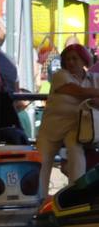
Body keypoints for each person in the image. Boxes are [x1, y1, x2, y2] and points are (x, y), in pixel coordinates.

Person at [35, 43, 99, 197]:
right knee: (43, 163)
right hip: (51, 128)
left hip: (75, 127)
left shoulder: (93, 79)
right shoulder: (60, 76)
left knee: (77, 155)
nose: (70, 62)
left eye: (74, 59)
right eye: (67, 59)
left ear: (84, 61)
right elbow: (79, 92)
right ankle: (39, 200)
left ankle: (76, 196)